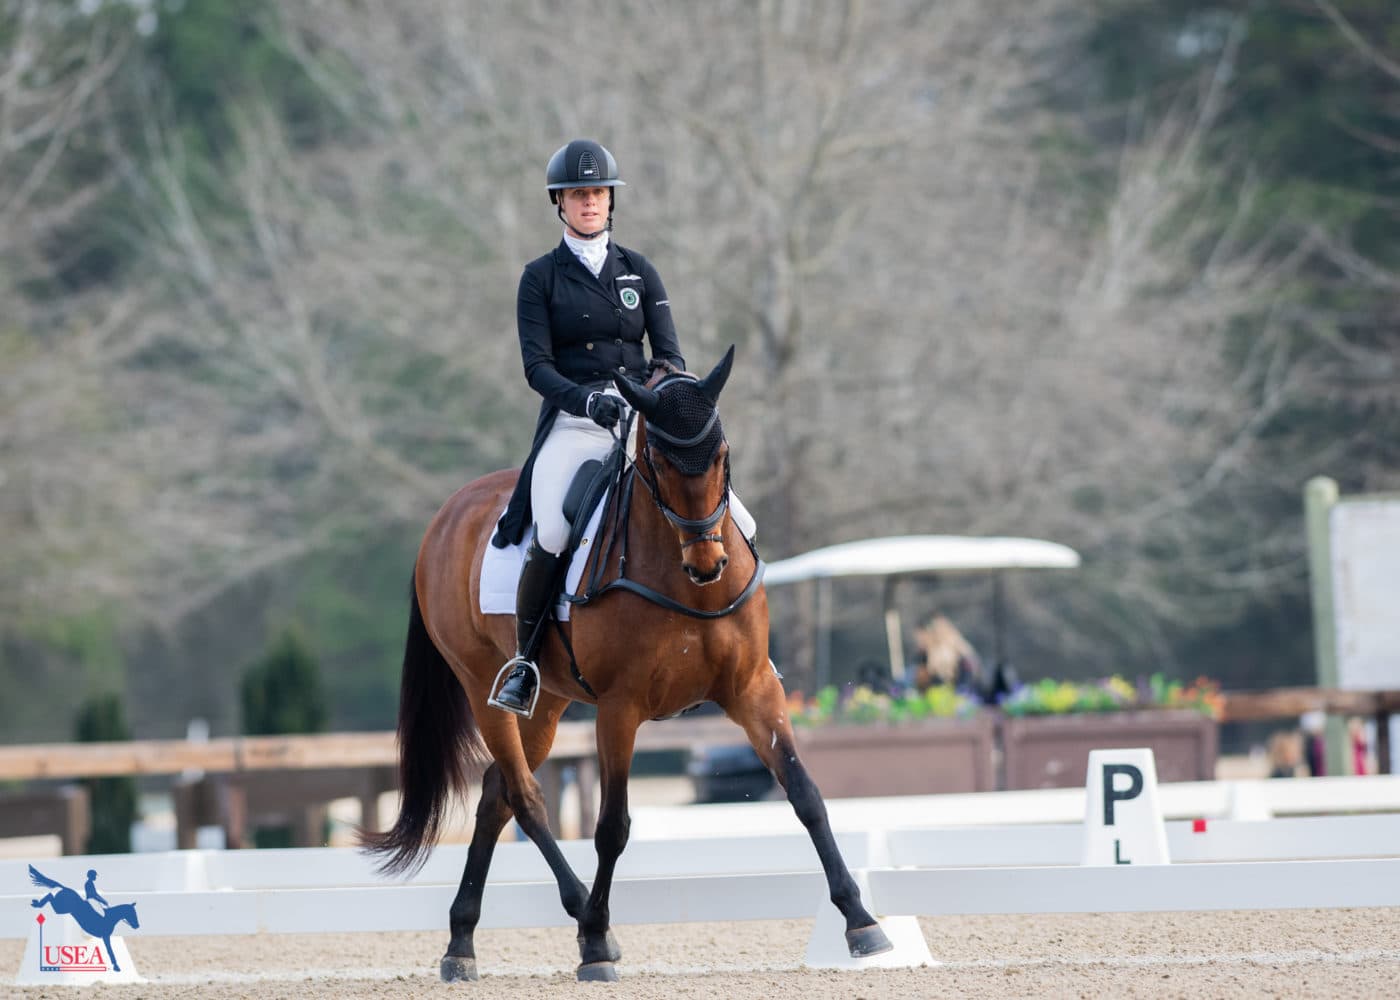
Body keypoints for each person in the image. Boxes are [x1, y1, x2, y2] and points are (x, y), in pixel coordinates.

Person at [488, 139, 755, 717]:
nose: (590, 203)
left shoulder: (639, 269)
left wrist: (658, 396)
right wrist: (588, 401)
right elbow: (536, 368)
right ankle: (527, 662)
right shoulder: (540, 278)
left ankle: (754, 648)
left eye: (599, 193)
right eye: (580, 194)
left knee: (737, 515)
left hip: (642, 416)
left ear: (611, 202)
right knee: (556, 529)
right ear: (561, 202)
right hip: (575, 421)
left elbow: (671, 356)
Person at [910, 613, 982, 693]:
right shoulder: (925, 653)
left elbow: (969, 672)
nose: (919, 640)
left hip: (957, 691)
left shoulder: (955, 649)